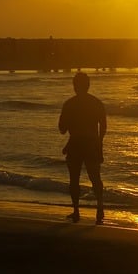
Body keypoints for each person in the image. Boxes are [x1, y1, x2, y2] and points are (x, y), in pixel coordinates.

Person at [58, 72, 107, 224]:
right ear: (88, 85)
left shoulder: (69, 104)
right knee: (95, 178)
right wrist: (100, 142)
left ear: (75, 86)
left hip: (76, 144)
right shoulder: (96, 103)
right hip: (92, 144)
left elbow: (62, 129)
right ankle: (99, 208)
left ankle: (76, 211)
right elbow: (103, 126)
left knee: (74, 179)